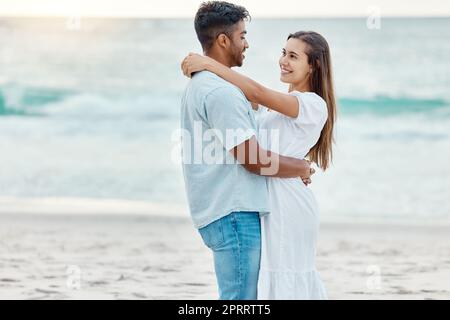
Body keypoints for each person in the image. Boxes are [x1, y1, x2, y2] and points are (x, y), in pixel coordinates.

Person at [182, 28, 337, 299]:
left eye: (293, 56)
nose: (283, 61)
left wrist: (209, 64)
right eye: (283, 53)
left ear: (313, 66)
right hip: (267, 199)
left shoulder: (312, 105)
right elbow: (240, 99)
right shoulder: (279, 106)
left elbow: (256, 91)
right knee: (268, 280)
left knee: (285, 275)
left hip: (288, 202)